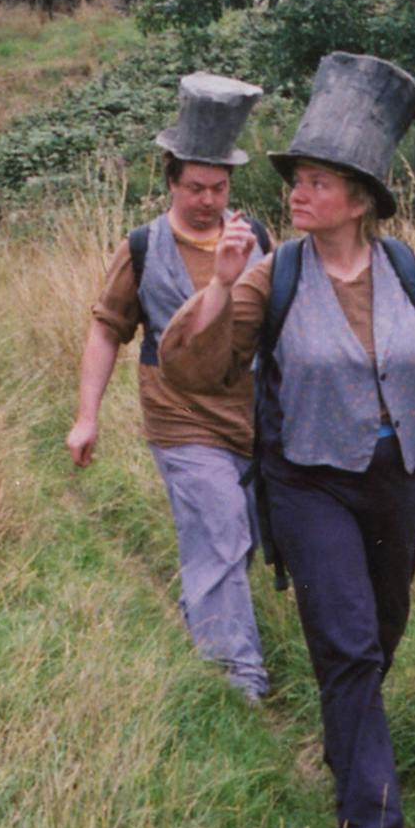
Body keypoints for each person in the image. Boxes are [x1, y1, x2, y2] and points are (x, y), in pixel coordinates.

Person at [159, 52, 415, 828]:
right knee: (350, 643)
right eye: (297, 179)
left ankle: (346, 736)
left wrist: (410, 445)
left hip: (396, 481)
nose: (298, 192)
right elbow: (192, 365)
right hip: (308, 485)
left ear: (359, 199)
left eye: (318, 181)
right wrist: (216, 287)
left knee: (379, 635)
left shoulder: (409, 273)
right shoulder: (272, 275)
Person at [68, 72, 275, 702]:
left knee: (235, 534)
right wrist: (87, 417)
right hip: (178, 416)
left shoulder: (258, 240)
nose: (208, 200)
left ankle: (204, 622)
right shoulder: (142, 249)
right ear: (170, 182)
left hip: (249, 414)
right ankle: (238, 676)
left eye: (219, 188)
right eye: (194, 187)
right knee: (218, 526)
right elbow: (107, 332)